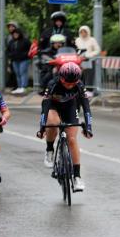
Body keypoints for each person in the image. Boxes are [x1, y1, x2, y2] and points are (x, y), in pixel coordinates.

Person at [37, 62, 93, 192]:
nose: (70, 85)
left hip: (70, 107)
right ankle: (50, 149)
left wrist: (88, 127)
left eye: (73, 82)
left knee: (72, 139)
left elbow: (86, 108)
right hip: (53, 107)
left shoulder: (79, 85)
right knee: (52, 123)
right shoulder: (52, 84)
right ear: (61, 78)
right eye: (67, 82)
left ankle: (77, 177)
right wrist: (42, 127)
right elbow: (44, 107)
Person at [7, 27, 32, 95]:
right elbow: (8, 50)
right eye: (14, 34)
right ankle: (19, 86)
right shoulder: (11, 42)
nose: (15, 35)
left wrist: (25, 55)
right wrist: (11, 56)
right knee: (17, 73)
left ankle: (24, 87)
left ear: (19, 34)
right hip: (15, 60)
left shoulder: (25, 41)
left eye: (16, 34)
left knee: (22, 72)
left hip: (24, 59)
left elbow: (30, 49)